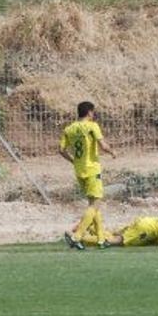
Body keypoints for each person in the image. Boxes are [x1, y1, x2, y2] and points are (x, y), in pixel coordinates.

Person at [59, 101, 116, 250]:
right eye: (93, 112)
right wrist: (112, 152)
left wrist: (73, 160)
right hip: (92, 169)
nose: (93, 114)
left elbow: (61, 150)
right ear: (89, 112)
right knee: (96, 203)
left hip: (79, 170)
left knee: (92, 205)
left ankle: (101, 239)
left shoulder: (69, 129)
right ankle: (76, 236)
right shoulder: (92, 126)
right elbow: (103, 146)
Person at [80, 200, 158, 247]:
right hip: (147, 231)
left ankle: (91, 228)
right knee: (116, 242)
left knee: (115, 235)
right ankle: (81, 238)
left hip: (146, 221)